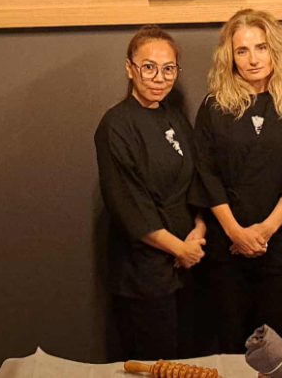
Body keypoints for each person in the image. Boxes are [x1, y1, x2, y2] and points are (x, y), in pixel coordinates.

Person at [191, 9, 282, 351]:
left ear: (275, 50)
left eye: (261, 47)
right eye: (242, 50)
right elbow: (206, 172)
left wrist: (266, 230)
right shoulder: (213, 107)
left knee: (280, 341)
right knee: (231, 339)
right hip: (227, 245)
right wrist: (236, 232)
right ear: (230, 57)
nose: (253, 59)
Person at [95, 25, 206, 360]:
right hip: (144, 271)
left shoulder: (175, 118)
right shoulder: (116, 125)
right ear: (130, 69)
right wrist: (179, 248)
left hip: (188, 264)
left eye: (168, 68)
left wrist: (199, 230)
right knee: (156, 364)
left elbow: (196, 180)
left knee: (190, 361)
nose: (159, 78)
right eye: (149, 67)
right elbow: (127, 203)